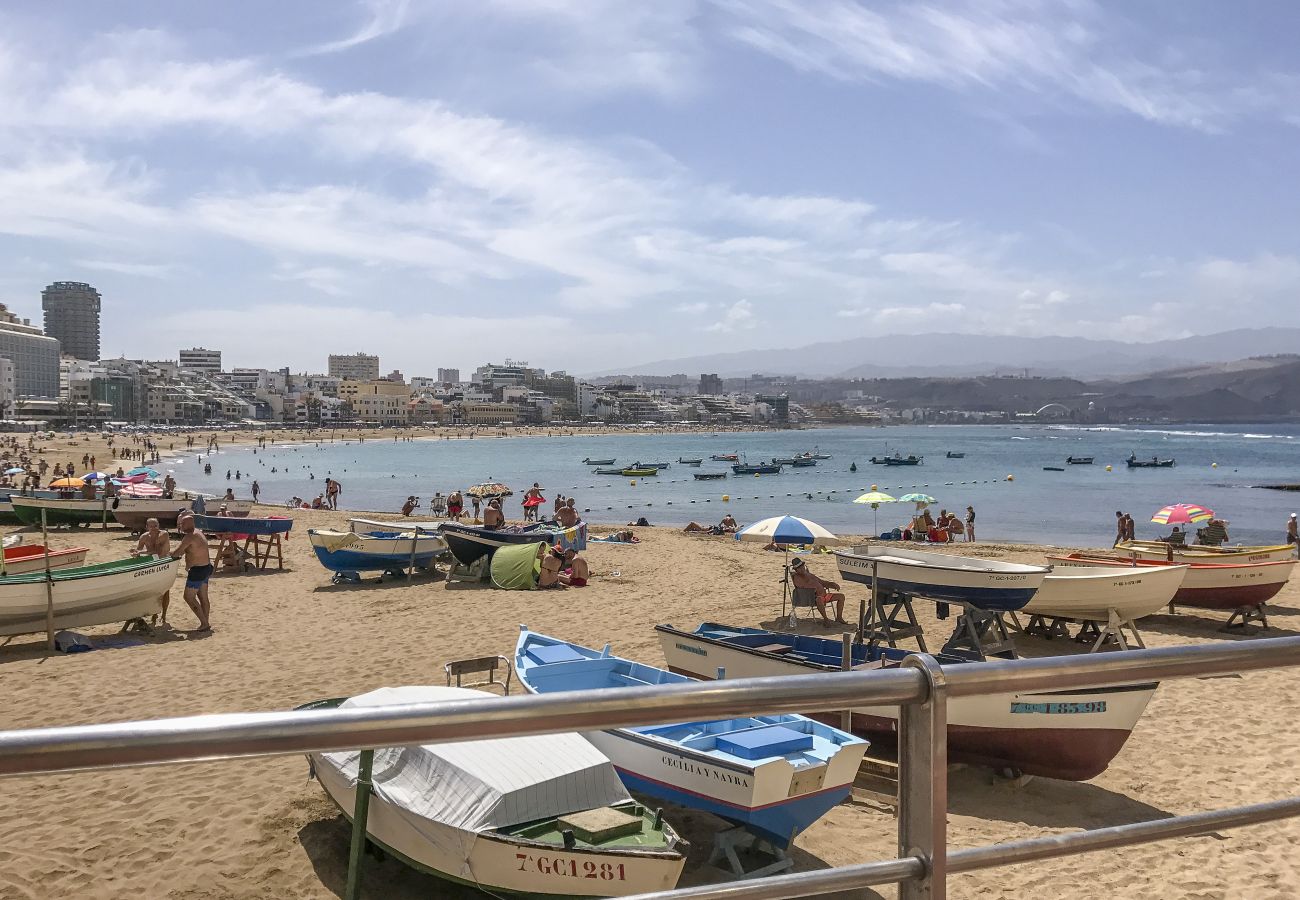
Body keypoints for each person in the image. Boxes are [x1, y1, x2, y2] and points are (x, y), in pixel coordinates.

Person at [170, 514, 212, 632]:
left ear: (188, 524)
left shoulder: (190, 536)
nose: (180, 526)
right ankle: (206, 622)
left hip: (198, 571)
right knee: (203, 597)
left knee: (188, 597)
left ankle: (204, 623)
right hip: (206, 568)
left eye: (182, 524)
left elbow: (177, 553)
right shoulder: (199, 532)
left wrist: (168, 553)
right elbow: (188, 550)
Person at [133, 518, 172, 626]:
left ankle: (163, 614)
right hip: (153, 565)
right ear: (147, 527)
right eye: (151, 526)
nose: (154, 528)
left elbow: (158, 552)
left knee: (165, 591)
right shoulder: (144, 537)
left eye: (156, 525)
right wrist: (135, 553)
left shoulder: (163, 535)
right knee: (153, 591)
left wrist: (141, 551)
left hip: (164, 564)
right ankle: (154, 614)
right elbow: (138, 551)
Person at [790, 558, 847, 627]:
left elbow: (822, 582)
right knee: (819, 599)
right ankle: (826, 619)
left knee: (841, 596)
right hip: (813, 598)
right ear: (796, 570)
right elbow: (802, 589)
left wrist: (832, 584)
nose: (802, 568)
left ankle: (839, 617)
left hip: (825, 596)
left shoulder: (810, 575)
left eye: (802, 566)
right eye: (799, 568)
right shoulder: (797, 578)